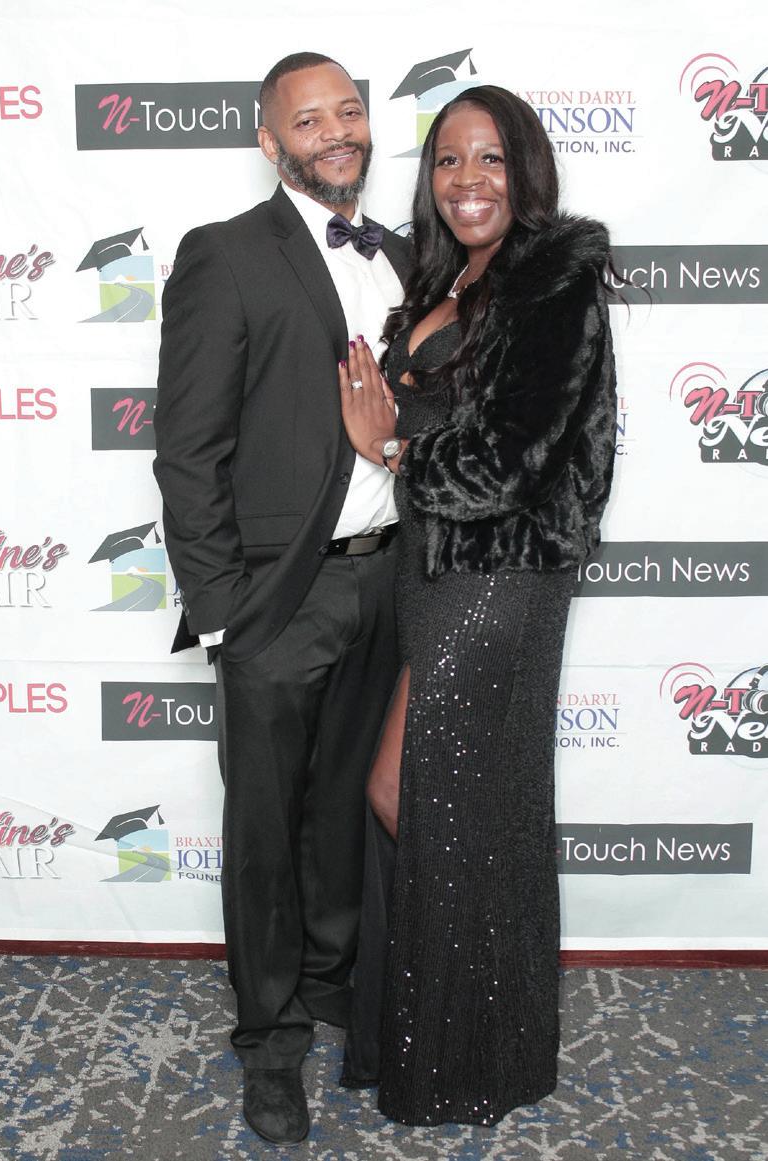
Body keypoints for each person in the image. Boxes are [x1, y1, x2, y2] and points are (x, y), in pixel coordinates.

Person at [336, 85, 617, 1127]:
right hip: (436, 571)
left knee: (418, 793)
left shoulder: (554, 285)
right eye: (449, 160)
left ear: (525, 170)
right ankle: (463, 1040)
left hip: (503, 577)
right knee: (462, 807)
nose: (467, 179)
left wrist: (391, 448)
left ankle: (464, 1052)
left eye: (490, 158)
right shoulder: (446, 277)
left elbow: (511, 460)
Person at [153, 52, 409, 1145]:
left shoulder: (402, 254)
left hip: (386, 577)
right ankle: (269, 1041)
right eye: (309, 120)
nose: (337, 130)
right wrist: (225, 612)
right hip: (274, 600)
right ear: (270, 141)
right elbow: (188, 448)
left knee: (345, 807)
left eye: (349, 111)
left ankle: (329, 983)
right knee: (265, 833)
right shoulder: (225, 255)